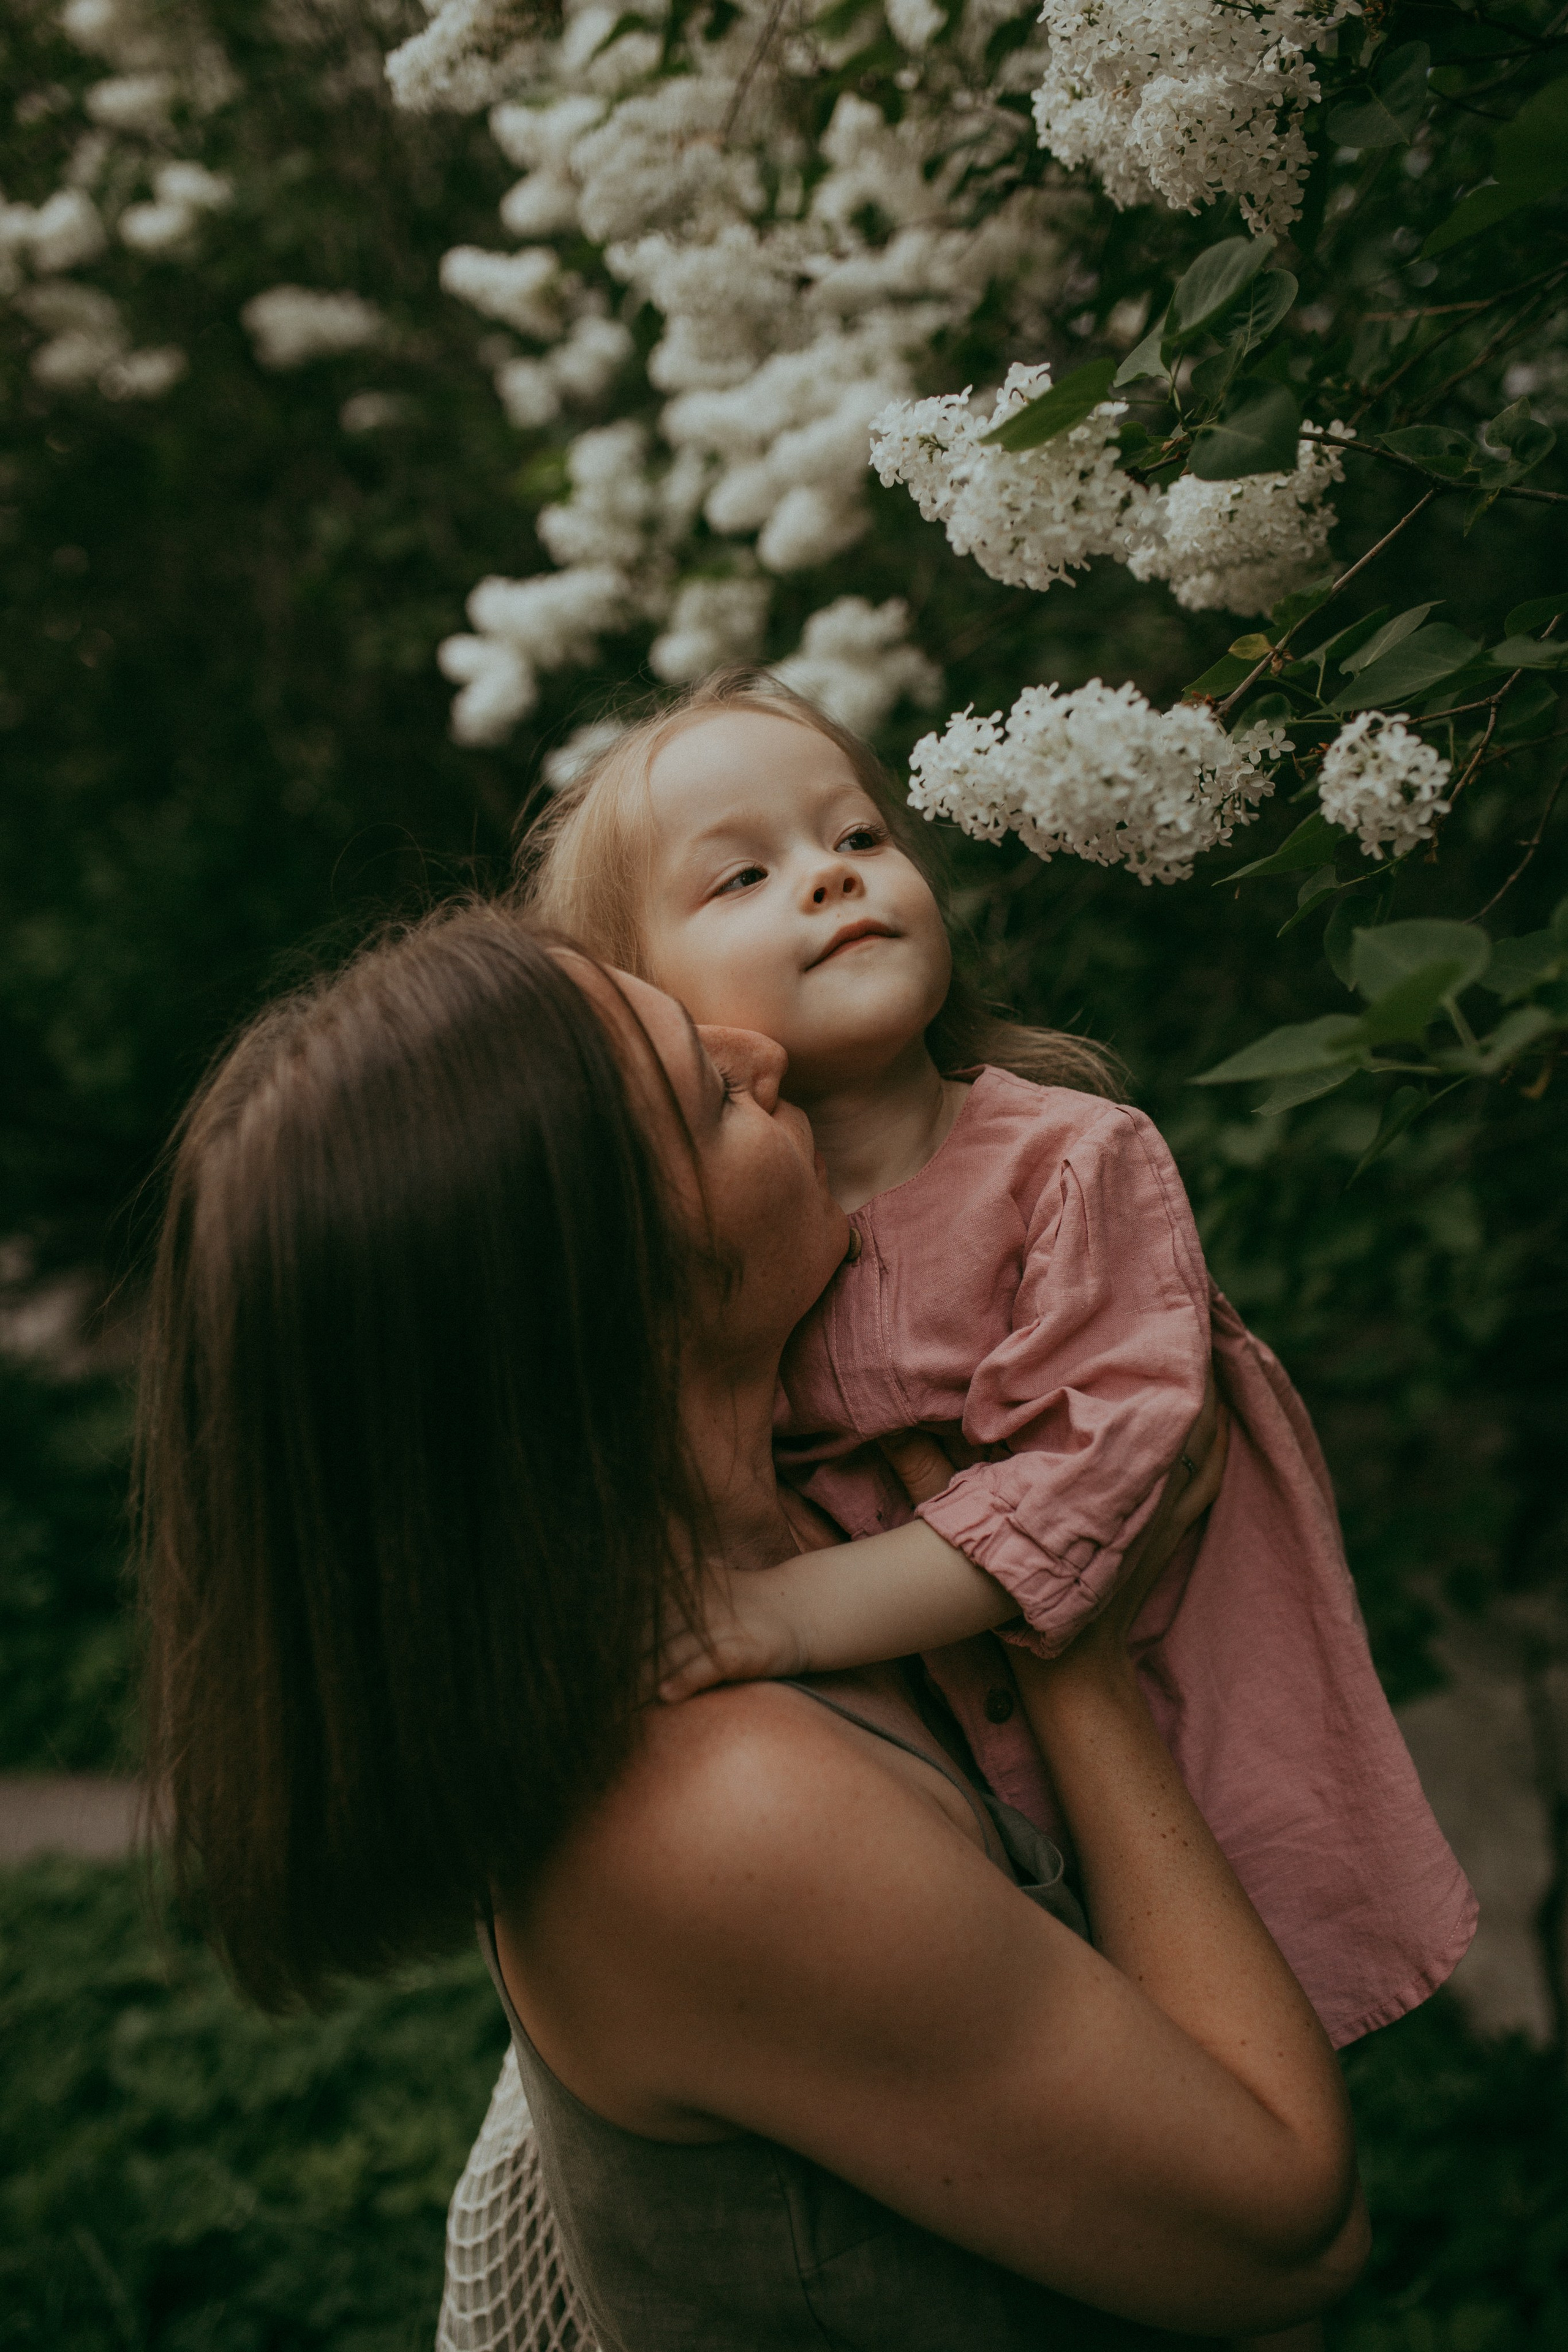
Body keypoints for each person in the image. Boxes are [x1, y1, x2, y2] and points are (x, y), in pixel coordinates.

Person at [139, 905, 1367, 2350]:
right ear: (607, 1295)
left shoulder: (815, 1533)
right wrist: (1062, 1633)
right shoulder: (718, 1813)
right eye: (707, 1092)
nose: (759, 1049)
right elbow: (1290, 2231)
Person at [519, 670, 1475, 2052]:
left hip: (1167, 1713)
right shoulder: (700, 1263)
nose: (832, 881)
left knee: (1212, 2061)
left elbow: (1102, 1473)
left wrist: (782, 1615)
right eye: (740, 876)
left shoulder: (1069, 1164)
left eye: (854, 838)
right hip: (936, 1816)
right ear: (649, 1017)